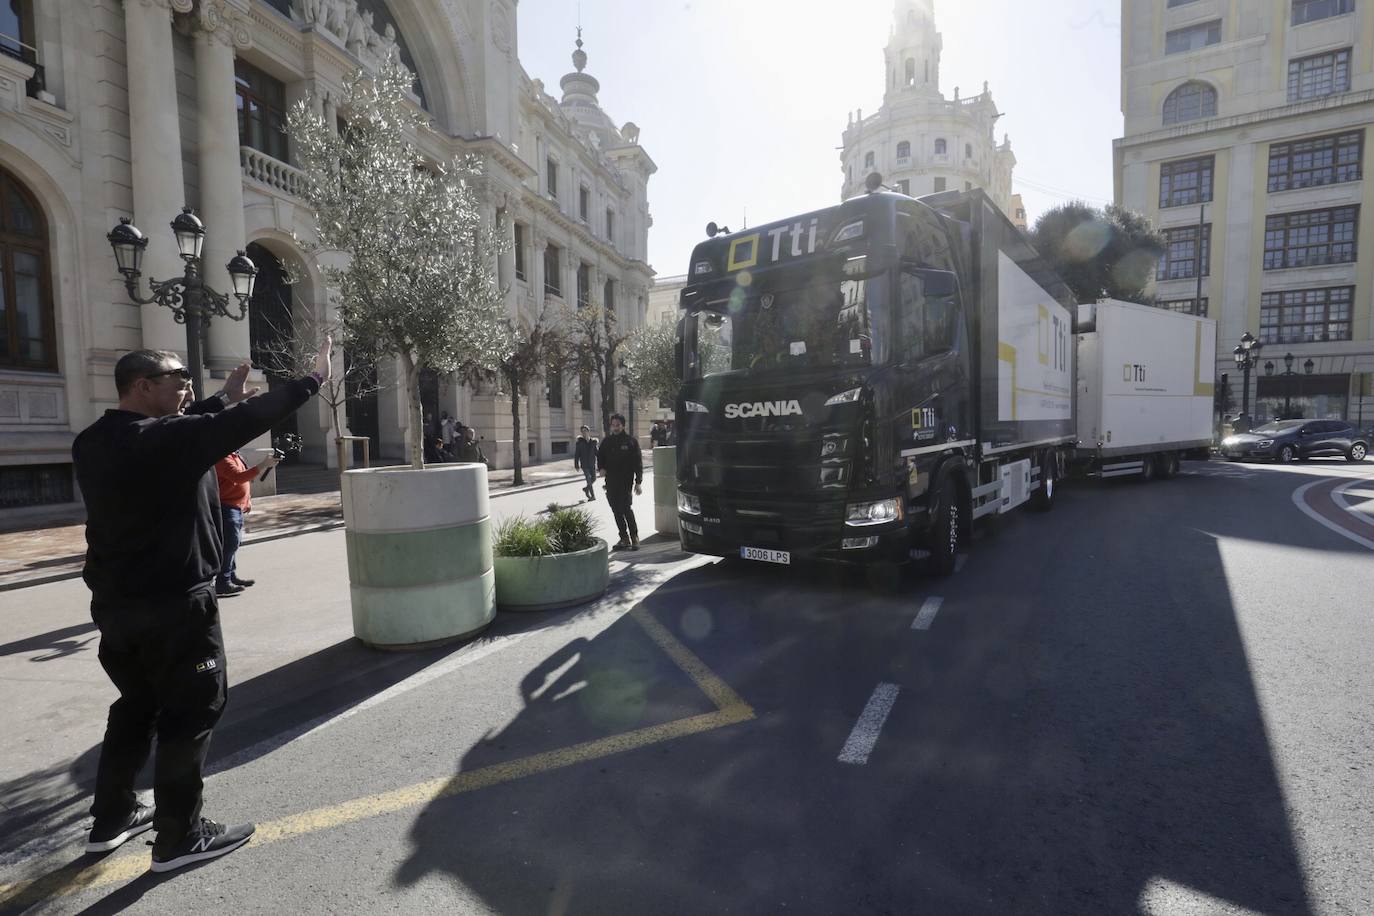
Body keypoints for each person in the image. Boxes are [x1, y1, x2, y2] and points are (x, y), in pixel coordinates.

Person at [72, 338, 331, 872]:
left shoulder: (95, 440)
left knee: (136, 706)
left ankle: (112, 817)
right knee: (192, 711)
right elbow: (228, 427)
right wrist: (311, 382)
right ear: (143, 386)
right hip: (174, 605)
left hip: (117, 605)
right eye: (177, 377)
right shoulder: (165, 440)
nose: (187, 385)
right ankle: (179, 837)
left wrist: (218, 399)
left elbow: (187, 432)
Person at [213, 450, 280, 597]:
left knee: (233, 544)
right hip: (226, 507)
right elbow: (239, 477)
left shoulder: (235, 455)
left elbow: (246, 478)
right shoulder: (222, 458)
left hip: (236, 506)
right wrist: (263, 464)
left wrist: (247, 499)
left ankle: (231, 576)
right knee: (230, 544)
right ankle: (223, 582)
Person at [598, 413, 643, 550]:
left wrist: (638, 482)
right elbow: (600, 457)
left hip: (625, 482)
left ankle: (634, 537)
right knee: (616, 510)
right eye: (613, 425)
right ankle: (624, 538)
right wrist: (601, 468)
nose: (615, 427)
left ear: (623, 425)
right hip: (611, 481)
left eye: (618, 425)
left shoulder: (631, 442)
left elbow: (638, 463)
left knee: (625, 508)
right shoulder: (607, 441)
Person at [573, 424, 599, 500]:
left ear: (588, 431)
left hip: (592, 464)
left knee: (594, 478)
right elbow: (576, 455)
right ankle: (593, 496)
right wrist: (576, 465)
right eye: (582, 431)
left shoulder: (593, 442)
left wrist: (602, 463)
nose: (584, 432)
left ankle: (586, 489)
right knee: (588, 479)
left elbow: (597, 453)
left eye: (585, 431)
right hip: (584, 465)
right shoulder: (579, 443)